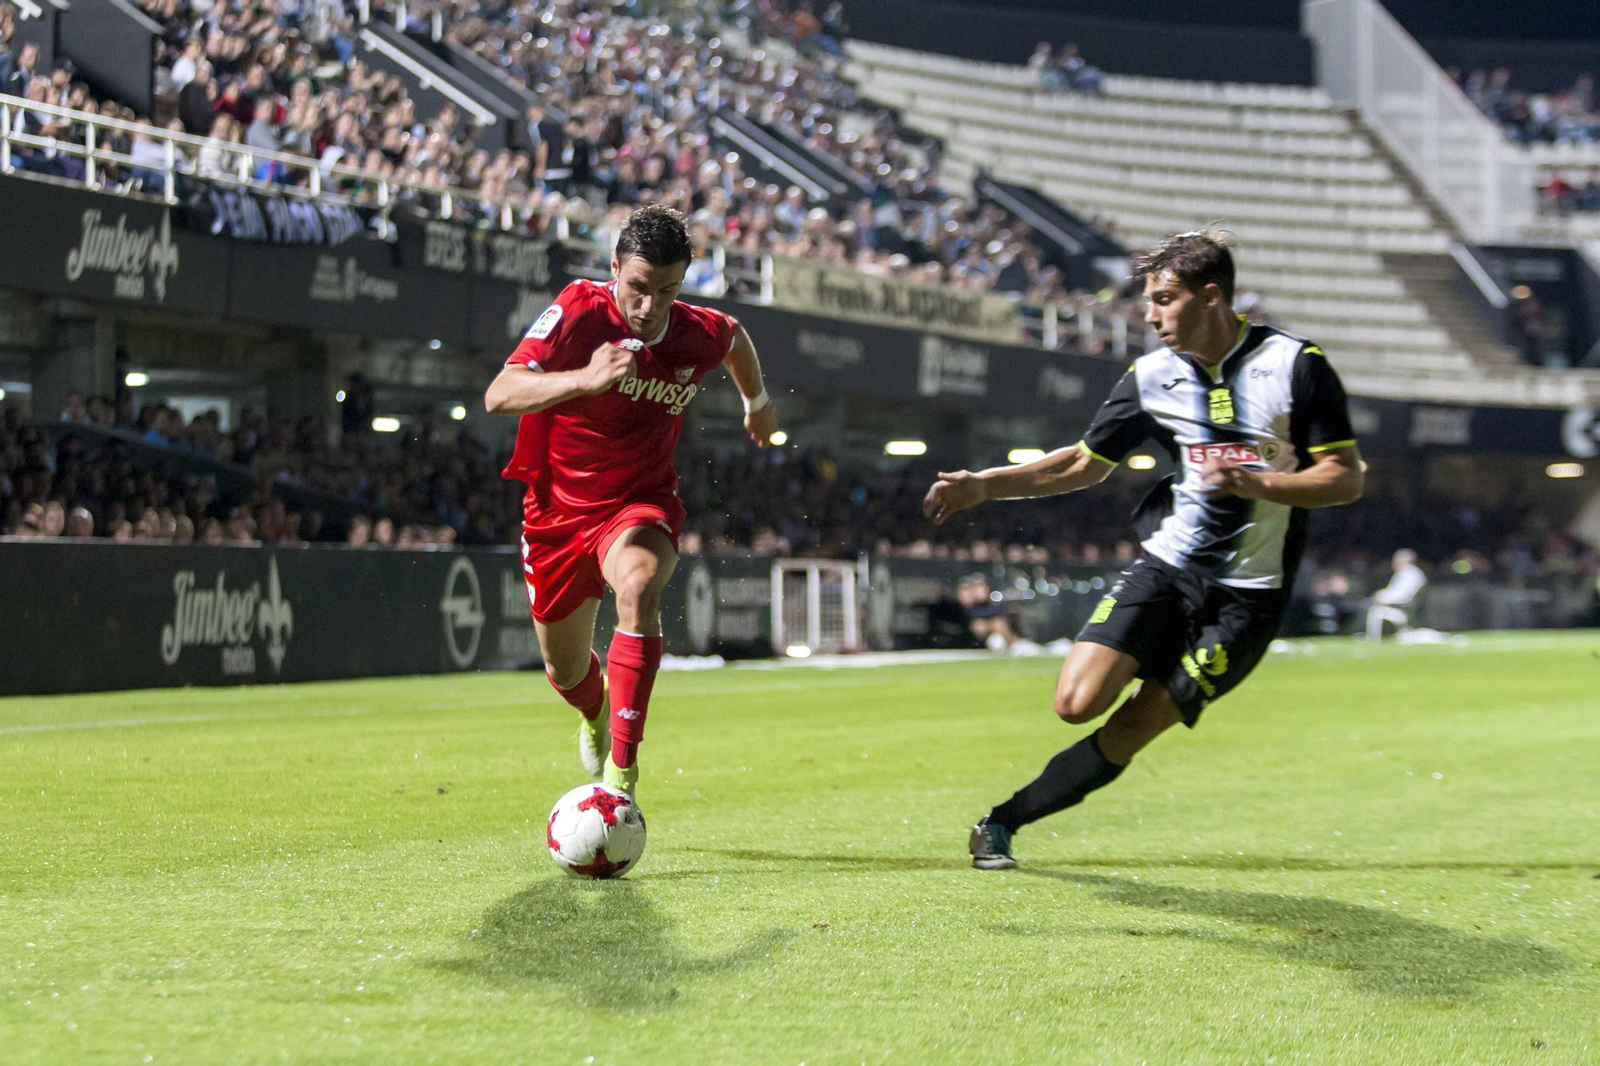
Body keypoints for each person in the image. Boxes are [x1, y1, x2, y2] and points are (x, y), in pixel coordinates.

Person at [923, 229, 1364, 869]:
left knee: (1132, 729)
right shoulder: (1151, 376)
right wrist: (984, 487)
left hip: (1247, 602)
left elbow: (1345, 477)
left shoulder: (1298, 366)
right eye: (1148, 301)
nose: (1150, 316)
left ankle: (1000, 823)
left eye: (1164, 299)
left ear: (1211, 297)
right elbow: (1082, 463)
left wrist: (1262, 482)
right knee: (1074, 704)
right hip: (1167, 568)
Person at [484, 204, 779, 796]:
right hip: (558, 512)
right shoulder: (577, 309)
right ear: (614, 267)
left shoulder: (696, 331)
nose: (648, 308)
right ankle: (592, 713)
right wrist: (583, 379)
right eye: (638, 288)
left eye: (666, 292)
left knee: (641, 586)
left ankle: (622, 772)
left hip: (639, 503)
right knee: (566, 672)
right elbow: (499, 393)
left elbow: (735, 338)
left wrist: (758, 400)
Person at [1364, 548, 1426, 642]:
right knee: (1369, 603)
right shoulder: (1408, 572)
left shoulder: (1408, 573)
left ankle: (1373, 639)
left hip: (1402, 608)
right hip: (1401, 606)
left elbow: (1402, 595)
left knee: (1373, 609)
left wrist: (1382, 597)